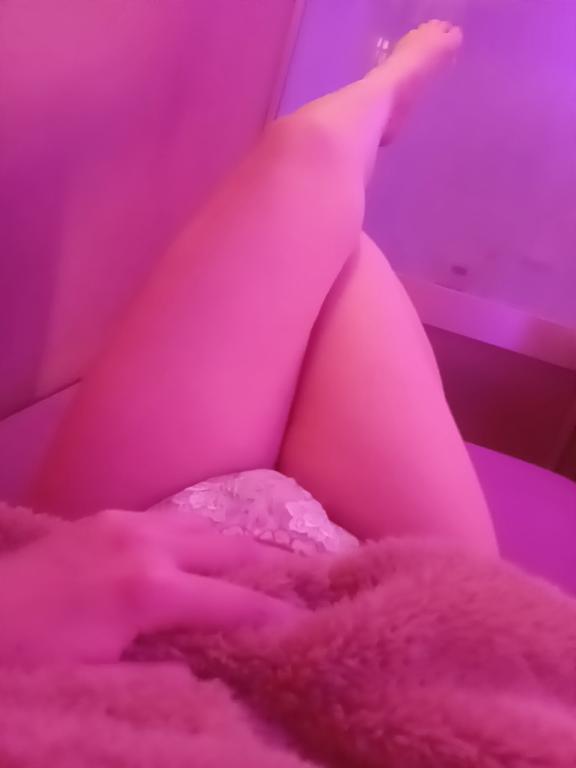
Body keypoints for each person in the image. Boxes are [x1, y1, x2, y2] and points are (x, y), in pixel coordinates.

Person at [0, 21, 498, 664]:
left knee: (312, 192)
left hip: (81, 606)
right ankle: (371, 111)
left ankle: (366, 117)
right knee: (328, 224)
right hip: (408, 663)